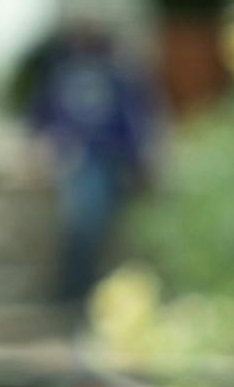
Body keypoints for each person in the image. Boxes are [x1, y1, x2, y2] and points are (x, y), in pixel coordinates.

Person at [22, 20, 157, 317]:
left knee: (95, 226)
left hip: (107, 162)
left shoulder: (117, 77)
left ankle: (86, 290)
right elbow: (41, 119)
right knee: (81, 224)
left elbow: (133, 122)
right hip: (74, 161)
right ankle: (75, 289)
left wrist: (138, 160)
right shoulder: (61, 75)